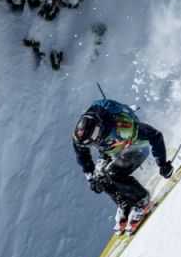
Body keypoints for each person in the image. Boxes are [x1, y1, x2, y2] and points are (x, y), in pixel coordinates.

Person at [73, 98, 173, 234]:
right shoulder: (82, 135)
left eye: (93, 143)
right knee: (99, 176)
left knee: (114, 172)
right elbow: (82, 153)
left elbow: (154, 135)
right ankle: (124, 204)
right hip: (113, 149)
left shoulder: (122, 127)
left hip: (136, 148)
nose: (91, 147)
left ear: (99, 132)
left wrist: (163, 164)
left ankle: (142, 201)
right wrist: (90, 176)